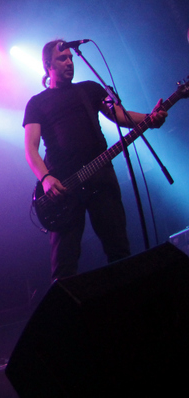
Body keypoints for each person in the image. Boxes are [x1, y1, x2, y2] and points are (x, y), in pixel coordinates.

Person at [23, 40, 167, 280]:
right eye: (62, 58)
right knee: (64, 265)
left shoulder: (89, 89)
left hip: (101, 178)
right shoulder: (37, 103)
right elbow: (30, 148)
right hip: (64, 187)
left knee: (119, 250)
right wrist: (46, 178)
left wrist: (149, 119)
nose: (69, 62)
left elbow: (120, 116)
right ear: (48, 64)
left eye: (71, 57)